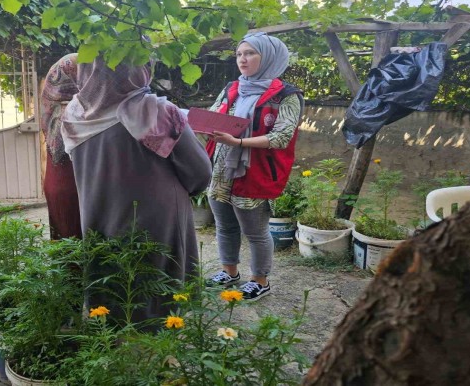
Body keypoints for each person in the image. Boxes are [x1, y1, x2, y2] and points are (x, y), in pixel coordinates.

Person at [60, 57, 212, 322]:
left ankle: (114, 334)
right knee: (158, 289)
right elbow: (200, 173)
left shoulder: (75, 114)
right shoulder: (154, 112)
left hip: (99, 216)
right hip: (158, 224)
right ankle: (159, 343)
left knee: (111, 281)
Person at [204, 32, 303, 301]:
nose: (242, 59)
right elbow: (215, 115)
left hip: (254, 170)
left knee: (256, 232)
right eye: (239, 54)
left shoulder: (286, 95)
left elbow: (281, 137)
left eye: (250, 54)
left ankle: (260, 280)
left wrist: (238, 141)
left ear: (268, 57)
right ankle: (229, 272)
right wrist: (202, 124)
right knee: (224, 226)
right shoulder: (232, 88)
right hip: (222, 168)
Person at [40, 53, 82, 240]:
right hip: (79, 188)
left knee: (63, 248)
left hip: (55, 184)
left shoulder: (52, 112)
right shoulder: (82, 113)